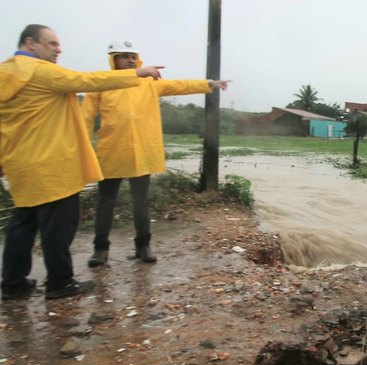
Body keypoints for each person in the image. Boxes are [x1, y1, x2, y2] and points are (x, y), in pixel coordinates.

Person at [0, 24, 164, 300]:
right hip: (52, 165)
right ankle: (60, 283)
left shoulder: (6, 72)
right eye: (52, 44)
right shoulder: (40, 72)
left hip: (20, 162)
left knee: (22, 223)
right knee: (57, 226)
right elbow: (87, 81)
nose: (59, 49)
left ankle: (13, 283)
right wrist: (136, 73)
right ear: (30, 43)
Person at [83, 39, 230, 266]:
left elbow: (181, 85)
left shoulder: (149, 83)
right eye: (124, 56)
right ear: (114, 60)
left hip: (141, 153)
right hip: (111, 152)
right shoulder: (102, 84)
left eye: (133, 56)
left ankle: (143, 245)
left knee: (140, 201)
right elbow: (85, 118)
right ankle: (100, 249)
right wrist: (81, 148)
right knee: (106, 201)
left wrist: (209, 83)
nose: (130, 59)